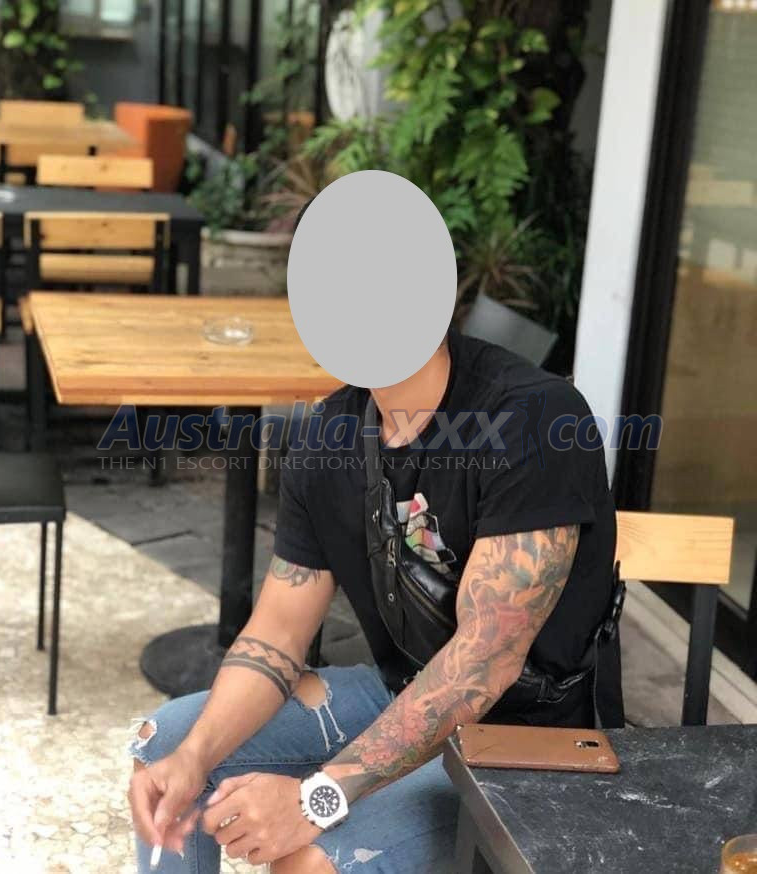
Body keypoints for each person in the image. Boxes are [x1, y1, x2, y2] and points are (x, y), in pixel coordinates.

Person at [128, 324, 623, 874]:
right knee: (165, 749)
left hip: (528, 740)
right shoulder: (327, 437)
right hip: (400, 692)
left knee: (307, 862)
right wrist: (194, 756)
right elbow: (278, 632)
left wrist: (316, 798)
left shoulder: (536, 417)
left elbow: (485, 662)